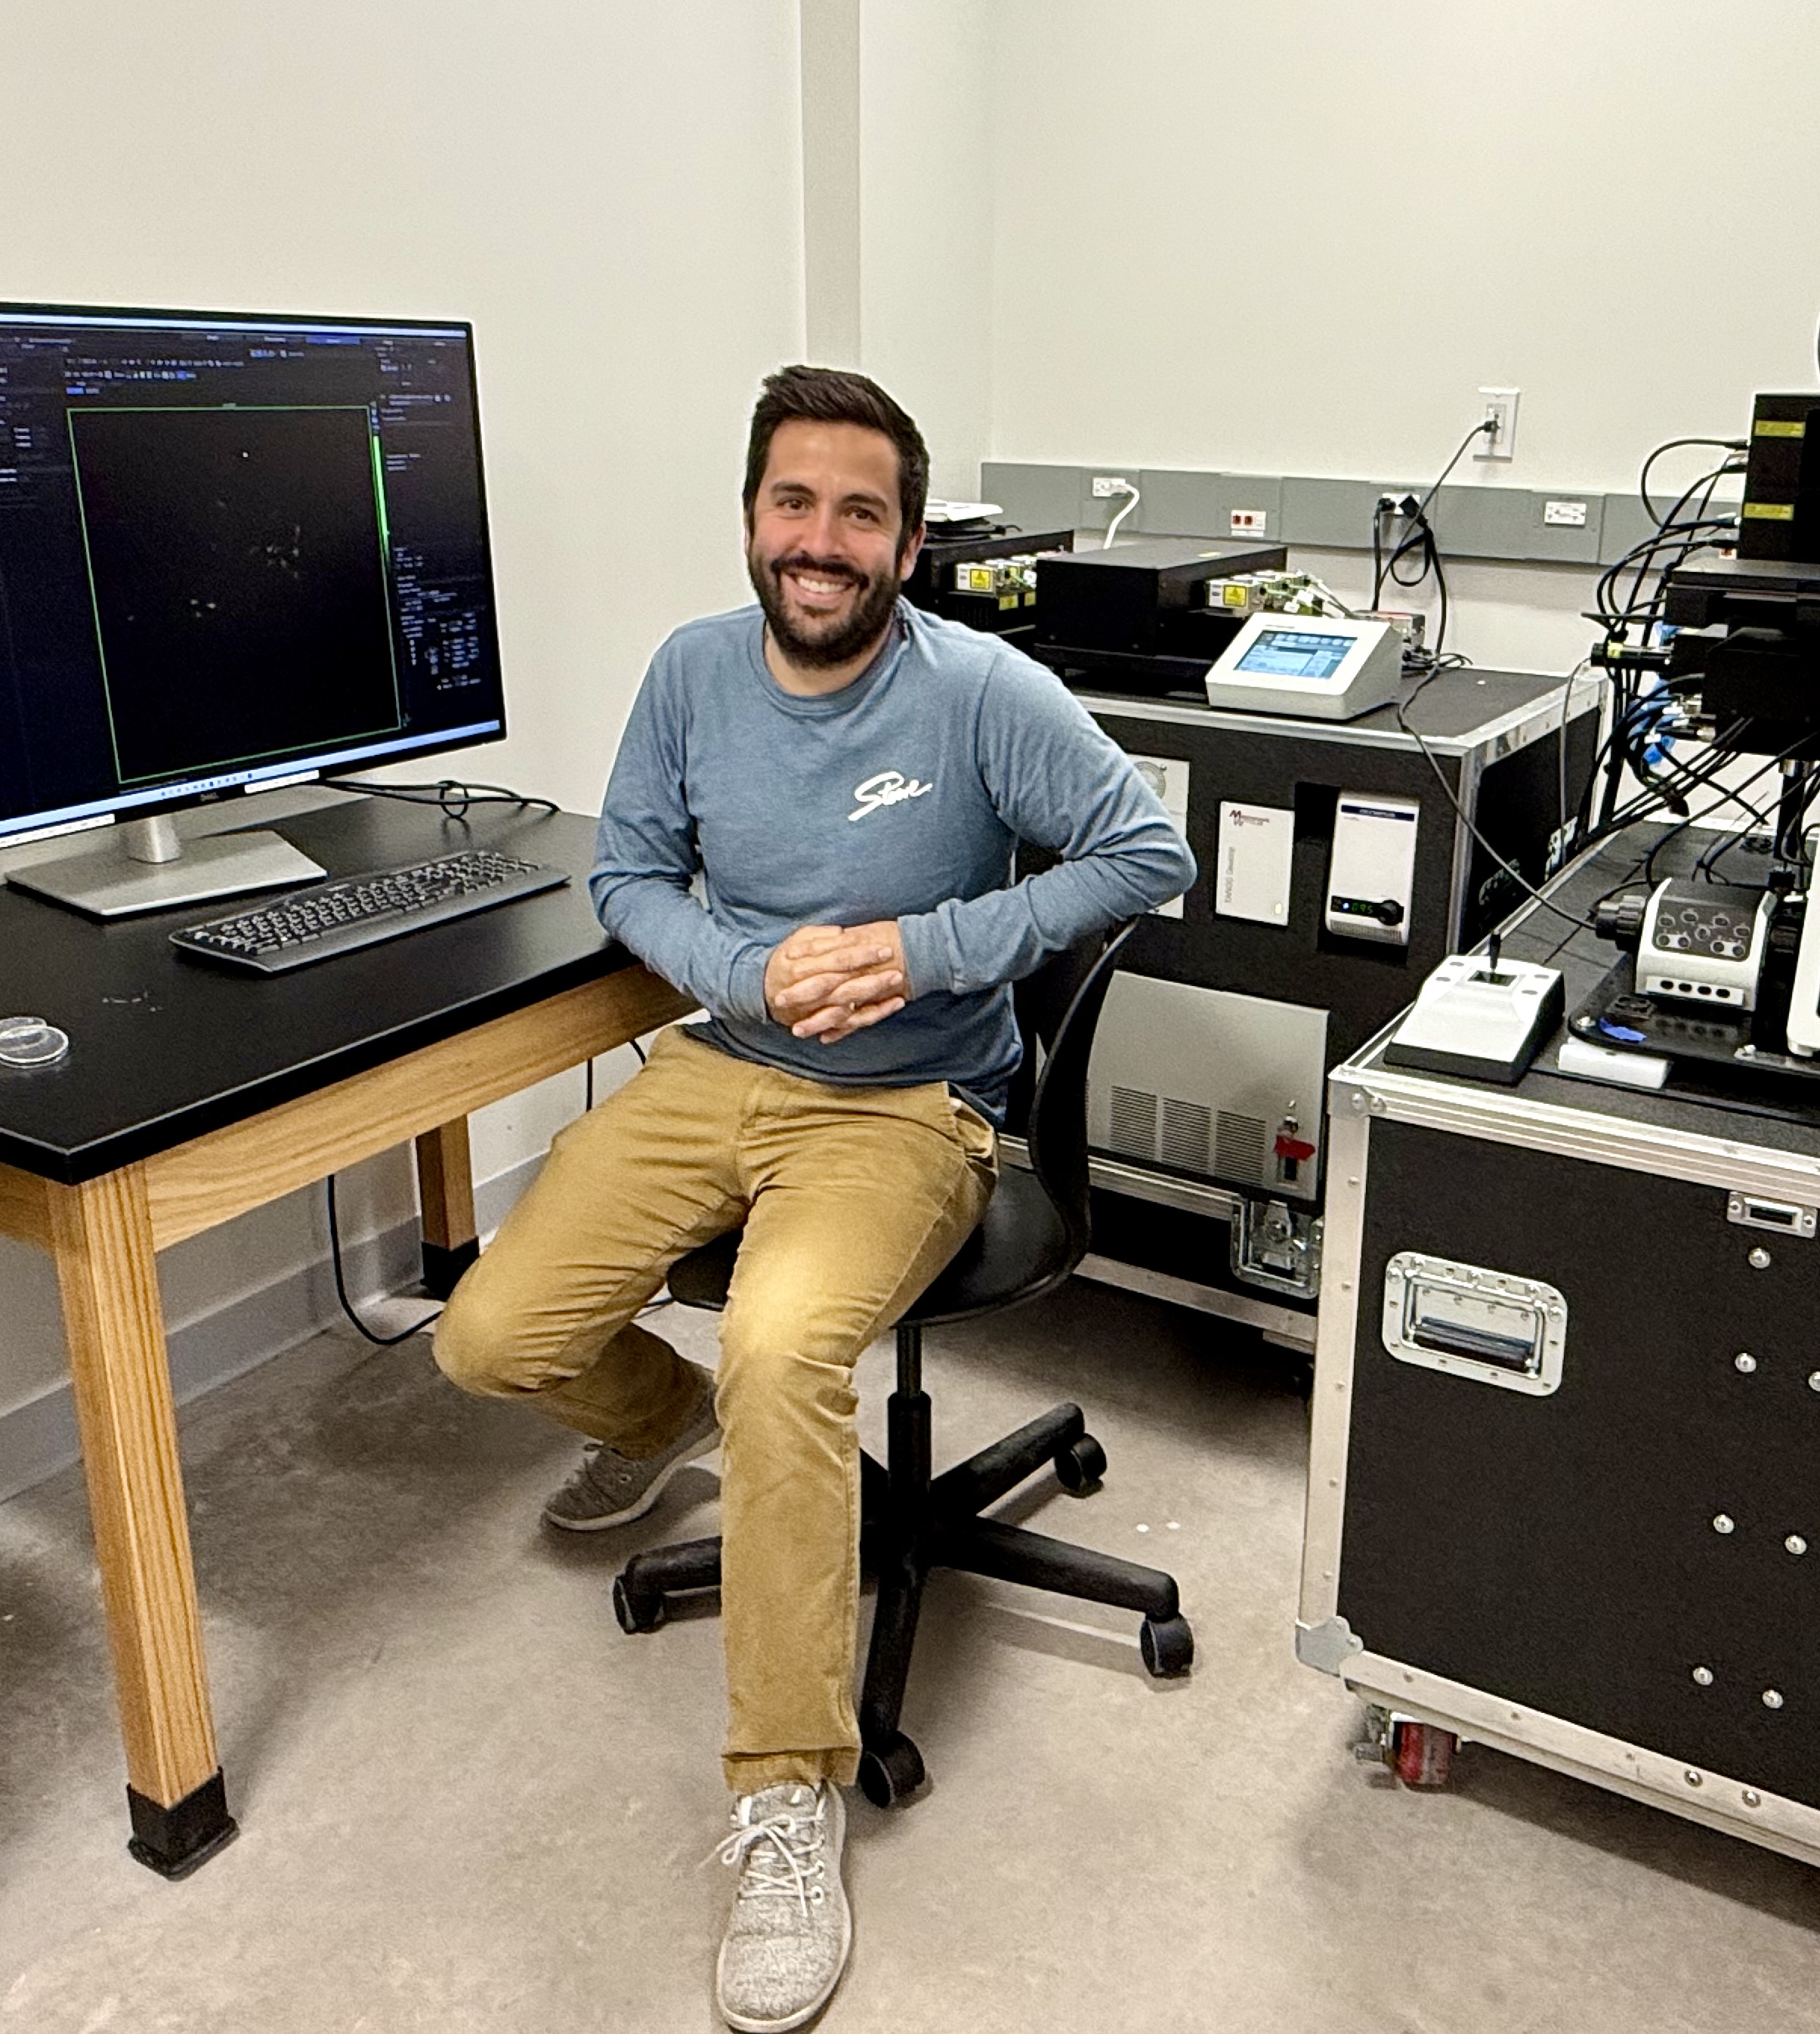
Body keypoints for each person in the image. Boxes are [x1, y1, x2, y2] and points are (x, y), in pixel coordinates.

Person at [431, 364, 1195, 2032]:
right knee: (488, 1334)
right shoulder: (692, 674)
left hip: (910, 1103)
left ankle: (788, 1796)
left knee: (785, 1349)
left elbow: (1148, 853)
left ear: (907, 540)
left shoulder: (982, 690)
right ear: (753, 515)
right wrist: (737, 968)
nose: (821, 541)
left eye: (860, 512)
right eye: (795, 503)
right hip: (720, 1064)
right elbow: (626, 869)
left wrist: (926, 950)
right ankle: (667, 1426)